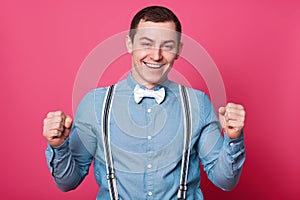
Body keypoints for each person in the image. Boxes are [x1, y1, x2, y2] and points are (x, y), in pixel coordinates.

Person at [43, 5, 246, 200]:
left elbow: (225, 181)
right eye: (146, 44)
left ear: (178, 50)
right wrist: (58, 145)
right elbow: (68, 182)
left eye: (167, 46)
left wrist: (233, 138)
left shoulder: (198, 104)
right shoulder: (94, 104)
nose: (156, 56)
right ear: (129, 44)